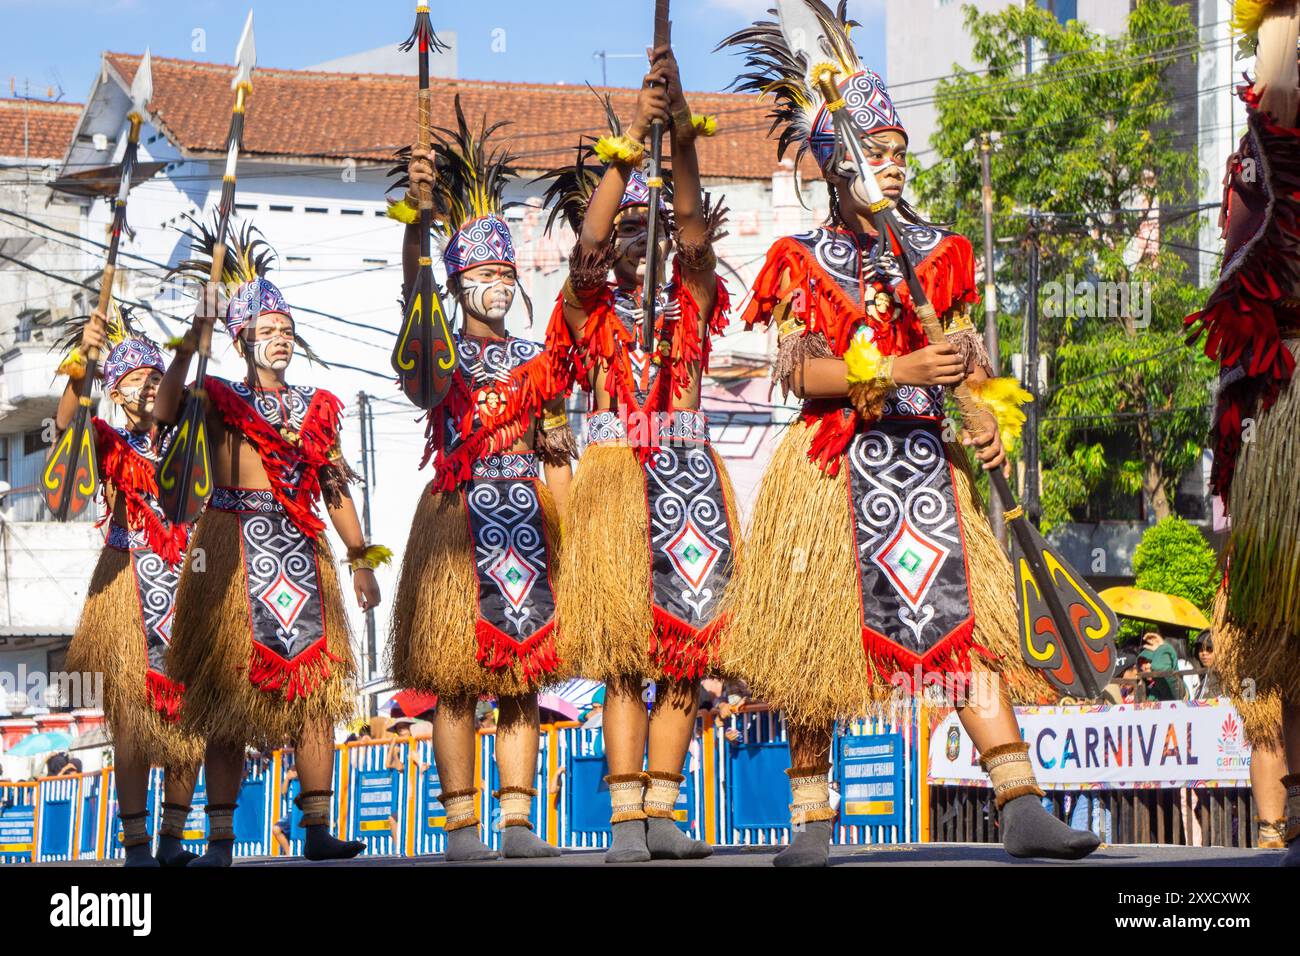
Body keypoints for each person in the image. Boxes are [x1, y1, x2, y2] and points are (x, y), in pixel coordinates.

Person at [718, 3, 1100, 866]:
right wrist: (891, 372)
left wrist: (985, 416)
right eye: (873, 154)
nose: (890, 168)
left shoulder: (940, 249)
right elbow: (802, 370)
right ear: (832, 164)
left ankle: (1021, 804)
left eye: (898, 155)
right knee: (813, 645)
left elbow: (969, 357)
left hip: (931, 466)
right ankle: (811, 822)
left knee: (966, 636)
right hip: (835, 468)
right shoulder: (799, 258)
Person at [540, 45, 733, 863]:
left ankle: (663, 808)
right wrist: (628, 152)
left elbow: (693, 237)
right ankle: (624, 819)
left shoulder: (691, 305)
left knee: (686, 660)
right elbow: (583, 251)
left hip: (690, 474)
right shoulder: (594, 314)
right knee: (625, 659)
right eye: (630, 232)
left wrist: (680, 137)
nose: (640, 245)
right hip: (621, 475)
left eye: (644, 230)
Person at [156, 222, 385, 866]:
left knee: (314, 693)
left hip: (303, 553)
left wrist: (360, 558)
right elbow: (166, 409)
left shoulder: (317, 406)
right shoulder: (216, 395)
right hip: (233, 547)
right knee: (230, 697)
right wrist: (187, 344)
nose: (280, 340)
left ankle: (315, 827)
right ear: (242, 339)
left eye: (286, 330)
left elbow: (333, 485)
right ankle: (221, 838)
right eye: (268, 330)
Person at [386, 99, 574, 862]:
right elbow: (413, 302)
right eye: (484, 274)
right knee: (456, 682)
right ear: (458, 281)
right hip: (457, 518)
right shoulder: (437, 353)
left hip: (529, 518)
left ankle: (520, 822)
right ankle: (462, 825)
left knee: (525, 679)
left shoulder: (539, 358)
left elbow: (559, 452)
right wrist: (416, 231)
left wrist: (571, 539)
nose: (498, 285)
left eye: (507, 272)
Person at [1184, 1, 1300, 865]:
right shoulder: (1270, 143)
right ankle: (1276, 829)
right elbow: (1283, 80)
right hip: (1276, 408)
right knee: (1269, 650)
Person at [55, 309, 201, 867]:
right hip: (129, 585)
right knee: (134, 721)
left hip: (190, 582)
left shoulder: (189, 437)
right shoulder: (104, 439)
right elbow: (66, 424)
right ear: (115, 393)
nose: (147, 388)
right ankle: (136, 842)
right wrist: (82, 369)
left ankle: (174, 838)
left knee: (193, 716)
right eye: (134, 380)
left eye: (154, 377)